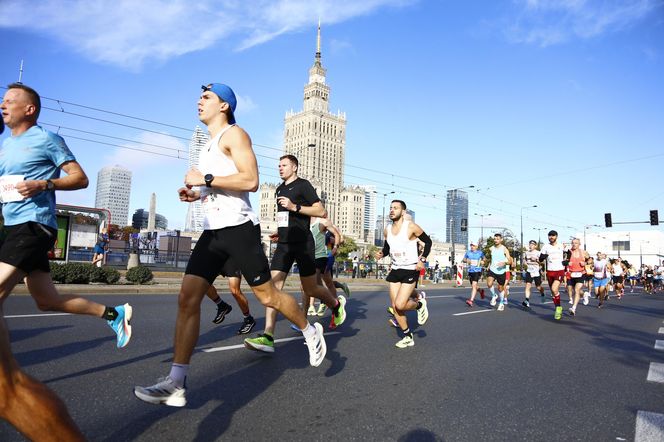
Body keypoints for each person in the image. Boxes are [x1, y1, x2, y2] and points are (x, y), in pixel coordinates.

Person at [134, 83, 326, 407]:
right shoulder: (208, 146)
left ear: (224, 106)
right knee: (187, 298)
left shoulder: (235, 135)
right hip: (213, 232)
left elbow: (250, 180)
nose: (199, 101)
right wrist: (196, 194)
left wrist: (205, 180)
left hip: (239, 229)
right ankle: (176, 382)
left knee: (267, 295)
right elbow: (220, 187)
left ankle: (310, 330)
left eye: (206, 97)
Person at [0, 83, 132, 439]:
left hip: (34, 226)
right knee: (46, 300)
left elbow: (80, 177)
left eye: (10, 101)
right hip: (11, 227)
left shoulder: (46, 139)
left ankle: (8, 384)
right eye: (3, 100)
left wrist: (43, 185)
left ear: (30, 109)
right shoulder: (4, 141)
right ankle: (112, 314)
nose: (3, 104)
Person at [243, 154, 346, 354]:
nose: (280, 168)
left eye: (284, 165)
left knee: (311, 288)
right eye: (278, 165)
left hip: (303, 244)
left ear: (295, 167)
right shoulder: (280, 189)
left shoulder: (303, 185)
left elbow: (321, 210)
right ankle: (268, 336)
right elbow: (286, 217)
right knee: (273, 288)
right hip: (284, 243)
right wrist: (281, 231)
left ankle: (335, 304)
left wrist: (294, 206)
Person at [375, 200, 431, 348]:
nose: (392, 210)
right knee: (395, 307)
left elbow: (428, 242)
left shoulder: (410, 227)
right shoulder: (387, 229)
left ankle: (419, 305)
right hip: (395, 269)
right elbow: (388, 247)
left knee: (401, 304)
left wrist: (422, 259)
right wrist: (382, 253)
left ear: (403, 212)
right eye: (391, 208)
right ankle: (408, 336)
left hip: (410, 269)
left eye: (396, 208)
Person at [204, 258, 256, 335]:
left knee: (235, 291)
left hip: (231, 258)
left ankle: (248, 319)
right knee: (203, 282)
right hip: (216, 257)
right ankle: (222, 305)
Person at [540, 230, 566, 320]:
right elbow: (540, 259)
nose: (551, 237)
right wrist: (543, 256)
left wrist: (567, 261)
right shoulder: (545, 247)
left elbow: (569, 253)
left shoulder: (561, 246)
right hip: (550, 271)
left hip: (559, 270)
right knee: (553, 292)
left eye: (553, 236)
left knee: (555, 289)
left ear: (556, 237)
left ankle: (558, 308)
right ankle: (557, 307)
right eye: (549, 236)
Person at [486, 233, 513, 312]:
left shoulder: (504, 249)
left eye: (497, 239)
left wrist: (504, 263)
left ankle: (501, 303)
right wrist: (488, 264)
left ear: (501, 240)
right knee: (489, 283)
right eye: (495, 239)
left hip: (501, 271)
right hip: (492, 269)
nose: (496, 240)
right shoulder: (491, 248)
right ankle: (494, 295)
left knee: (500, 288)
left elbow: (510, 261)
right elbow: (491, 258)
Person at [567, 239, 590, 316]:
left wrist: (585, 263)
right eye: (573, 243)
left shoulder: (583, 252)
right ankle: (584, 294)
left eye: (576, 243)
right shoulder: (569, 252)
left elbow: (590, 260)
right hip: (571, 273)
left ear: (579, 244)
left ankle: (573, 308)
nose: (574, 244)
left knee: (577, 290)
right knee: (572, 290)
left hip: (581, 273)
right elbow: (564, 261)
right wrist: (567, 263)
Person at [523, 240, 545, 308]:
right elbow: (524, 260)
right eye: (530, 244)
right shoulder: (526, 253)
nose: (531, 246)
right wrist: (524, 262)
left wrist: (536, 260)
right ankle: (527, 300)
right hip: (529, 271)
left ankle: (542, 294)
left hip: (536, 271)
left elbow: (543, 262)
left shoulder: (538, 253)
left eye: (532, 244)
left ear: (535, 246)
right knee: (528, 285)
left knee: (538, 287)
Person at [463, 242, 485, 307]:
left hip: (477, 271)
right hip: (470, 271)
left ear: (476, 247)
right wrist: (467, 260)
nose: (472, 247)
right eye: (471, 245)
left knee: (473, 285)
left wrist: (483, 261)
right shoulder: (468, 252)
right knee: (474, 286)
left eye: (473, 246)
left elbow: (484, 259)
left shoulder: (480, 253)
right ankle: (480, 291)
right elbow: (464, 259)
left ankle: (471, 300)